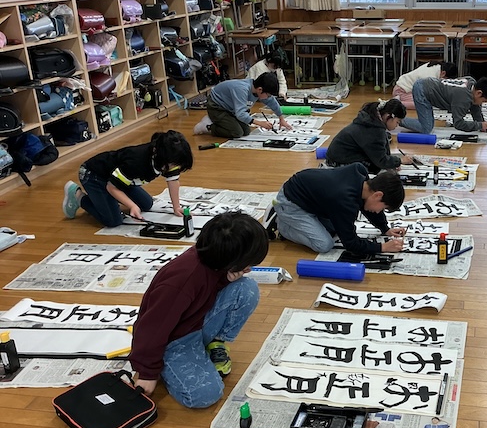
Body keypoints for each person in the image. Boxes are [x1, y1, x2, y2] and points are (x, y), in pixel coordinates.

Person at [129, 211, 269, 408]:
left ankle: (214, 344)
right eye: (247, 264)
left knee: (247, 288)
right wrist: (147, 373)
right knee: (206, 395)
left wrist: (225, 278)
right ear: (230, 260)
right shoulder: (181, 281)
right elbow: (151, 329)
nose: (249, 269)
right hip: (174, 340)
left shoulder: (214, 257)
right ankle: (168, 367)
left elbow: (208, 289)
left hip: (197, 322)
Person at [62, 130, 193, 227]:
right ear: (162, 158)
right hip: (94, 175)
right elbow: (112, 187)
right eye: (174, 165)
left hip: (120, 178)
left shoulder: (168, 159)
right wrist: (131, 205)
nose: (175, 168)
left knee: (146, 204)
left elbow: (173, 180)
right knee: (113, 220)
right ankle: (78, 196)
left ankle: (104, 199)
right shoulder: (137, 162)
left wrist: (176, 207)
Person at [272, 164, 406, 255]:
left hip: (310, 199)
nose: (378, 211)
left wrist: (385, 229)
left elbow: (365, 205)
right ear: (378, 195)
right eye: (383, 208)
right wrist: (382, 247)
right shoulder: (344, 200)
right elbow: (351, 244)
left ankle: (289, 218)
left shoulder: (361, 175)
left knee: (335, 229)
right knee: (324, 244)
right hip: (291, 203)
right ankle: (282, 224)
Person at [326, 99, 414, 174]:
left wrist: (391, 163)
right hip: (339, 164)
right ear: (388, 116)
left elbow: (382, 151)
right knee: (379, 176)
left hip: (341, 157)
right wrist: (400, 161)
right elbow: (381, 160)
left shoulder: (371, 120)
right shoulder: (373, 130)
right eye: (397, 122)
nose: (397, 126)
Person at [194, 72, 291, 138]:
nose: (268, 97)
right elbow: (240, 114)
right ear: (260, 89)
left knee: (246, 131)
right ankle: (208, 126)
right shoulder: (242, 89)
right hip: (216, 106)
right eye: (268, 95)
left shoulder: (258, 90)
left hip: (231, 108)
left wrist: (281, 118)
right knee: (237, 132)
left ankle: (221, 121)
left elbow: (272, 101)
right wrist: (260, 123)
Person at [400, 76, 487, 134]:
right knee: (426, 128)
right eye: (484, 101)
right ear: (479, 93)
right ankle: (397, 119)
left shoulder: (471, 83)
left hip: (428, 84)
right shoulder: (462, 98)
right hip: (422, 91)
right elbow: (458, 124)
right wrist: (479, 125)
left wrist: (482, 123)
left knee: (428, 124)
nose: (482, 104)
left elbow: (475, 107)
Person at [392, 61, 457, 110]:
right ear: (443, 73)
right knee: (421, 104)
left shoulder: (435, 66)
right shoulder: (430, 77)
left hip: (407, 89)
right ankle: (396, 103)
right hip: (403, 90)